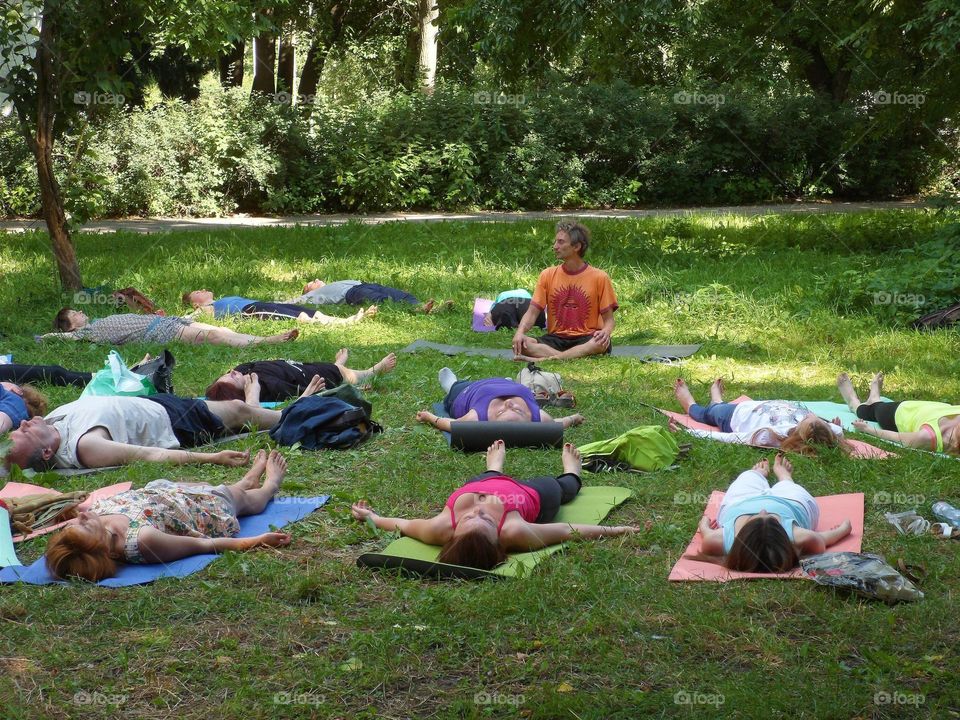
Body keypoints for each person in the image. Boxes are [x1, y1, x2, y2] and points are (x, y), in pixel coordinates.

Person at [351, 440, 639, 570]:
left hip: (484, 483)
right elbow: (568, 529)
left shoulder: (438, 528)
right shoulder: (515, 532)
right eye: (486, 521)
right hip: (531, 495)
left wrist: (370, 516)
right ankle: (572, 470)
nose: (478, 512)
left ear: (453, 532)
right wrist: (617, 530)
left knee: (483, 482)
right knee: (566, 489)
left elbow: (400, 524)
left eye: (470, 519)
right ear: (499, 537)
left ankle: (494, 467)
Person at [44, 449, 293, 582]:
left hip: (165, 493)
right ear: (104, 551)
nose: (82, 518)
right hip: (202, 510)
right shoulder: (142, 540)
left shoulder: (92, 526)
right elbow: (203, 545)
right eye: (84, 527)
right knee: (242, 499)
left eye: (73, 524)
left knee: (212, 485)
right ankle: (270, 484)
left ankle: (246, 479)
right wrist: (256, 540)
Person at [3, 374, 322, 471]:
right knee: (237, 411)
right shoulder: (86, 446)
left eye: (20, 427)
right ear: (46, 453)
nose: (23, 426)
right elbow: (150, 455)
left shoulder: (54, 420)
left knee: (240, 412)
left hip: (155, 403)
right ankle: (293, 411)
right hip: (176, 422)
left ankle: (265, 406)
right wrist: (211, 457)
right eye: (23, 433)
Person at [695, 454, 852, 572]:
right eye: (771, 518)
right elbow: (824, 538)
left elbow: (706, 531)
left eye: (756, 517)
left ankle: (757, 474)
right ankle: (784, 477)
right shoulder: (802, 538)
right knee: (788, 487)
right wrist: (844, 529)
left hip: (739, 503)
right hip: (789, 503)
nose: (763, 510)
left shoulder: (716, 542)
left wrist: (704, 523)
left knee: (746, 477)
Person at [512, 222, 618, 361]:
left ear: (576, 246)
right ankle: (570, 356)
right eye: (555, 242)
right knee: (522, 344)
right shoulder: (547, 275)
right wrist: (519, 333)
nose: (555, 246)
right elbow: (532, 313)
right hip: (556, 339)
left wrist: (606, 332)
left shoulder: (599, 277)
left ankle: (547, 359)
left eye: (561, 242)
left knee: (600, 343)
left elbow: (609, 320)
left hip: (587, 338)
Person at [672, 378, 855, 456]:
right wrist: (834, 430)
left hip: (734, 416)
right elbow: (836, 433)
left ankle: (691, 404)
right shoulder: (828, 430)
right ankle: (717, 400)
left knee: (708, 413)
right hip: (756, 406)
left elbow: (730, 438)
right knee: (718, 406)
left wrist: (691, 432)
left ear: (800, 431)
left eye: (808, 418)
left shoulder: (771, 435)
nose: (811, 415)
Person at [414, 367, 584, 433]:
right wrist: (573, 418)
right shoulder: (536, 416)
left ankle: (451, 384)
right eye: (517, 410)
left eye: (502, 411)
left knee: (454, 388)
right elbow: (557, 423)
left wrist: (429, 417)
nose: (509, 404)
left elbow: (451, 425)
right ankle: (506, 382)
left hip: (467, 392)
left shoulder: (476, 417)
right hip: (502, 382)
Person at [204, 347, 397, 402]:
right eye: (232, 378)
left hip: (298, 365)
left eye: (227, 373)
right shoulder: (266, 387)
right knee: (342, 373)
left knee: (335, 367)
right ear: (241, 391)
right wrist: (345, 390)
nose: (233, 372)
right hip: (314, 375)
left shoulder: (244, 370)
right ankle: (372, 371)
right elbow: (301, 392)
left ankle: (338, 363)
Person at [838, 371, 960, 454]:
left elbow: (898, 438)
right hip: (925, 407)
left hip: (899, 414)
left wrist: (867, 429)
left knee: (873, 410)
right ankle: (874, 398)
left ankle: (854, 403)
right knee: (878, 405)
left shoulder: (929, 437)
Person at [42, 308, 298, 347]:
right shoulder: (84, 334)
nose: (80, 312)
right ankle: (268, 341)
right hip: (160, 332)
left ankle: (261, 337)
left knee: (221, 331)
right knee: (212, 335)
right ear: (71, 327)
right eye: (75, 314)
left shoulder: (97, 323)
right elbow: (57, 337)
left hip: (168, 320)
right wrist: (46, 336)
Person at [182, 289, 378, 325]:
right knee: (298, 316)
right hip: (249, 311)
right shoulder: (206, 308)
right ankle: (344, 324)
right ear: (195, 302)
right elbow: (191, 319)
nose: (203, 289)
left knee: (307, 311)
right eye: (198, 292)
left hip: (256, 303)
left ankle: (345, 320)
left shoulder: (220, 299)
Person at [293, 279, 451, 314]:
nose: (315, 281)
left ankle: (429, 308)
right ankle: (416, 310)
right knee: (382, 301)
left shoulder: (332, 283)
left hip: (365, 284)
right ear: (308, 291)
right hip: (353, 293)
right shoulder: (313, 296)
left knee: (401, 294)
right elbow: (289, 302)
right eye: (310, 283)